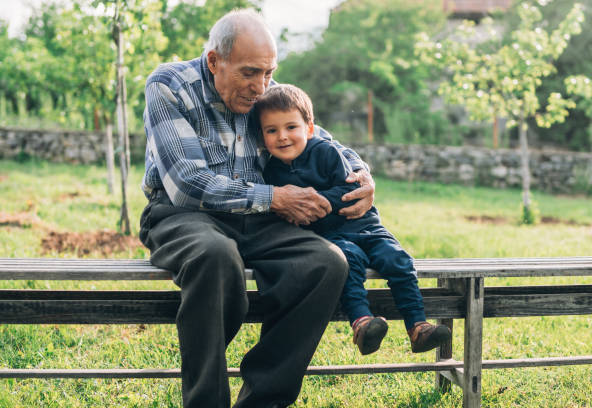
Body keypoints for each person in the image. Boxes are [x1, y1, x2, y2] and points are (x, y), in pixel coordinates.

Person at [138, 9, 375, 408]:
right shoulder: (169, 85)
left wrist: (361, 174)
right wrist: (275, 197)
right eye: (250, 73)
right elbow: (185, 184)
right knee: (215, 254)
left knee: (327, 263)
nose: (260, 86)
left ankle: (264, 400)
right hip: (182, 215)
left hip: (256, 219)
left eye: (268, 73)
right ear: (215, 61)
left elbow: (322, 140)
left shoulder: (264, 91)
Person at [255, 84, 451, 356]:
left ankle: (418, 326)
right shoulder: (272, 173)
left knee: (398, 260)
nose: (283, 137)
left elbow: (350, 188)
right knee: (348, 261)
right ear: (261, 135)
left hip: (366, 227)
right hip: (332, 236)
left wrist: (318, 201)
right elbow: (284, 211)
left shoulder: (325, 152)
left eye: (291, 127)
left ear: (309, 128)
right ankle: (361, 323)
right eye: (271, 130)